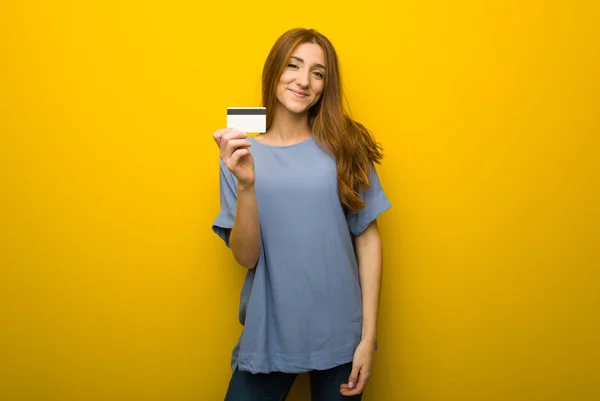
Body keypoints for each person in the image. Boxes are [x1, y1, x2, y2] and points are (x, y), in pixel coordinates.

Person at [212, 27, 391, 401]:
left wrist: (367, 338)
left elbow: (368, 236)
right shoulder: (240, 153)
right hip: (271, 332)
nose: (303, 81)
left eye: (318, 72)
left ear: (326, 85)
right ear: (274, 70)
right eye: (293, 65)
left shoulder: (344, 144)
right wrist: (246, 184)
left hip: (342, 335)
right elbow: (246, 256)